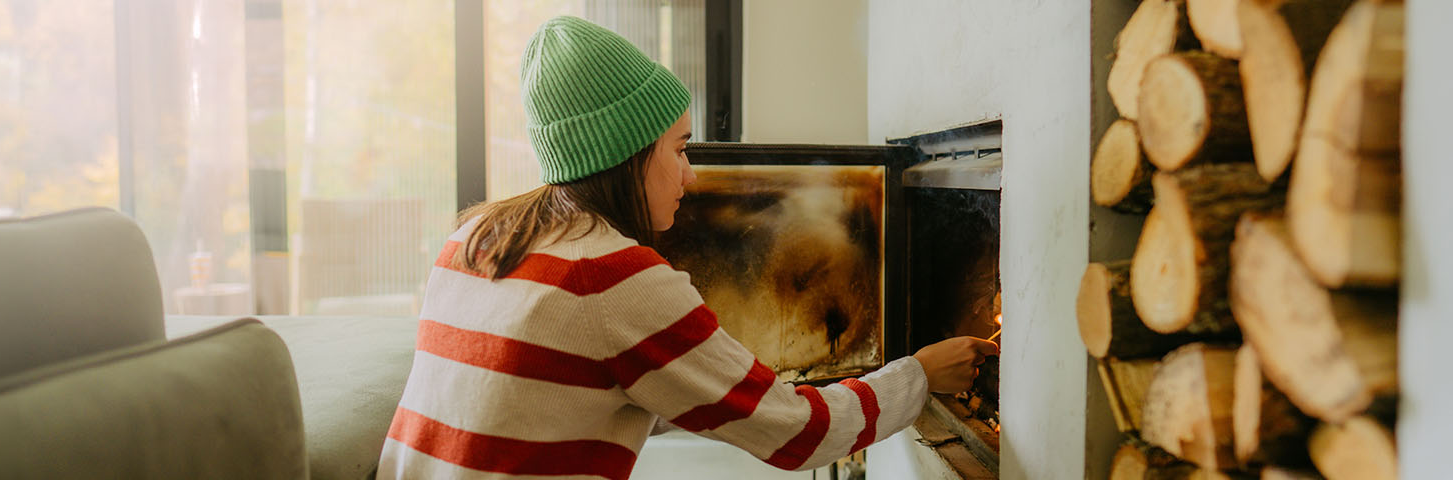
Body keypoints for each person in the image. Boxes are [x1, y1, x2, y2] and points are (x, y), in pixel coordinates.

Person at [378, 16, 998, 479]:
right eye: (679, 148)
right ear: (628, 156)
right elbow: (797, 436)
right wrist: (920, 374)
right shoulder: (610, 276)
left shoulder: (475, 236)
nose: (692, 175)